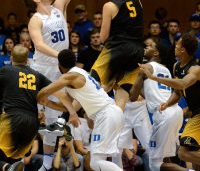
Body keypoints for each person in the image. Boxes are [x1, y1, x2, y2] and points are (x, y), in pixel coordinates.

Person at [23, 0, 95, 171]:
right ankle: (36, 160)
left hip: (62, 66)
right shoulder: (35, 19)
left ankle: (47, 161)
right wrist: (60, 55)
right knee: (44, 118)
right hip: (43, 68)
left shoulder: (58, 7)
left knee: (61, 115)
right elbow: (39, 45)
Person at [37, 49, 124, 171]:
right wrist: (48, 103)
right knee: (99, 162)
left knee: (95, 162)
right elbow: (67, 106)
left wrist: (38, 98)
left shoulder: (70, 76)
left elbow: (44, 91)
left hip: (106, 114)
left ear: (59, 65)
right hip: (110, 113)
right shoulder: (79, 74)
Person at [0, 44, 78, 171]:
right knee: (18, 155)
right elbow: (61, 94)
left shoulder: (5, 71)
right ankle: (13, 165)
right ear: (27, 60)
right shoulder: (36, 75)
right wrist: (71, 111)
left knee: (9, 155)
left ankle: (7, 167)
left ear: (11, 57)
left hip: (12, 118)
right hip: (32, 124)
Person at [90, 0, 144, 111]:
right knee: (121, 94)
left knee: (91, 83)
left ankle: (67, 119)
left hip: (118, 48)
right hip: (136, 50)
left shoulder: (110, 5)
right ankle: (115, 129)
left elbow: (104, 37)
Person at [139, 33, 200, 170]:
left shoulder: (195, 69)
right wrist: (167, 103)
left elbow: (183, 83)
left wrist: (154, 78)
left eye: (178, 44)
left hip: (198, 115)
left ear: (183, 49)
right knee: (195, 158)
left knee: (183, 153)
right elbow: (178, 92)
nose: (175, 47)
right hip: (195, 114)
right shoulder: (176, 66)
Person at [130, 40, 184, 171]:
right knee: (164, 158)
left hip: (163, 113)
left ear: (156, 52)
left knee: (154, 164)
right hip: (176, 112)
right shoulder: (165, 69)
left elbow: (132, 96)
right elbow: (149, 92)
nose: (146, 47)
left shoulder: (146, 67)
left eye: (150, 46)